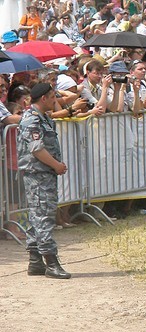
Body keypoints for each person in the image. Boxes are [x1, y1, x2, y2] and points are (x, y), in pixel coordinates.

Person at [17, 83, 71, 280]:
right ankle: (51, 262)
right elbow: (37, 149)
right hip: (38, 174)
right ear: (43, 98)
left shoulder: (43, 118)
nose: (55, 100)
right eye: (52, 97)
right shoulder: (31, 119)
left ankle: (35, 261)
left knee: (37, 216)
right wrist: (56, 165)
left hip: (44, 173)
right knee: (44, 217)